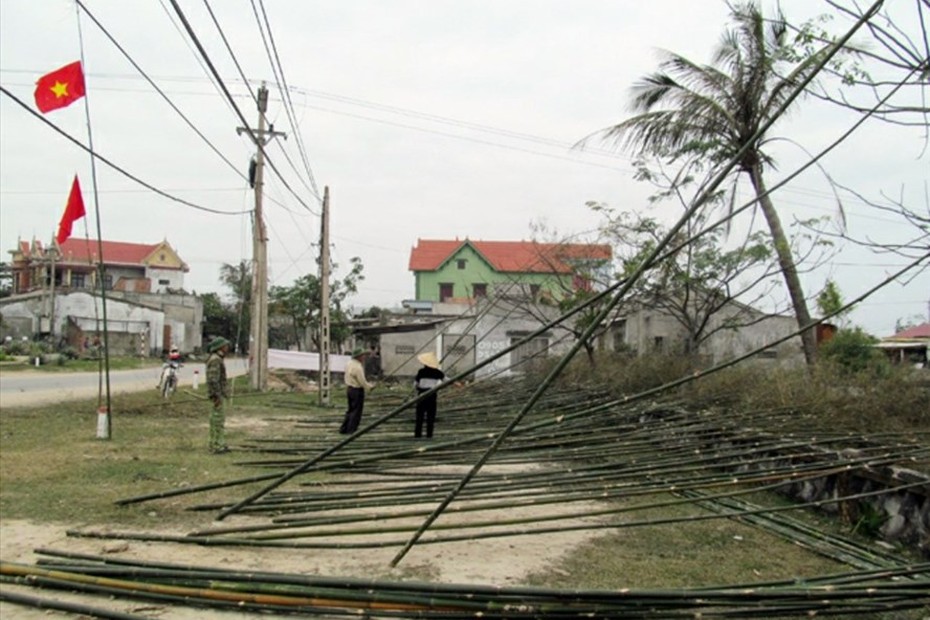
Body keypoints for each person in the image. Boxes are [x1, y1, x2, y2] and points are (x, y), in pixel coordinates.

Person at [339, 347, 375, 434]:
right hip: (357, 390)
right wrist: (370, 387)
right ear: (358, 356)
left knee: (350, 410)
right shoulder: (358, 367)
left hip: (349, 389)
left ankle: (344, 428)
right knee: (356, 411)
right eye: (363, 356)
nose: (364, 357)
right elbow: (362, 381)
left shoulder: (349, 364)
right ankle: (351, 430)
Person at [205, 336, 231, 453]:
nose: (227, 348)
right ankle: (215, 445)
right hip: (217, 395)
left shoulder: (218, 359)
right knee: (217, 421)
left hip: (219, 394)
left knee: (219, 420)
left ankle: (220, 442)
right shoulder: (215, 360)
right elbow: (213, 379)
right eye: (225, 346)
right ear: (220, 347)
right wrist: (216, 395)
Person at [413, 351, 445, 439]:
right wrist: (458, 384)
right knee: (430, 417)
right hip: (432, 395)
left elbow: (415, 384)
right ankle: (429, 435)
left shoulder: (421, 371)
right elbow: (447, 379)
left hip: (421, 395)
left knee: (420, 417)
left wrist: (419, 388)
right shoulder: (437, 372)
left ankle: (417, 435)